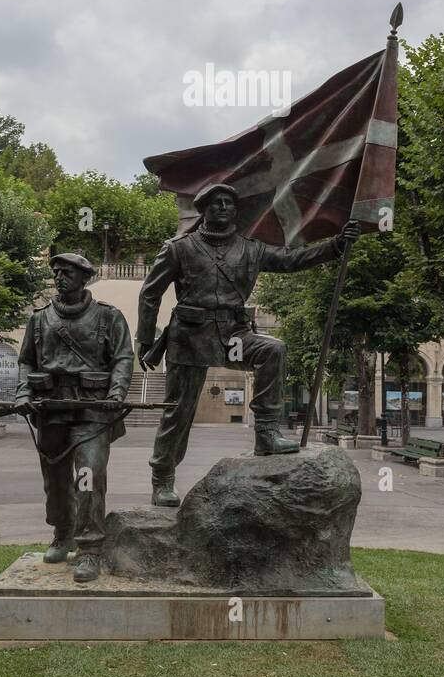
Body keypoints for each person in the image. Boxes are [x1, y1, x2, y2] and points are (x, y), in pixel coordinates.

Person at [136, 183, 360, 506]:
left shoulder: (251, 249)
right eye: (216, 202)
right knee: (178, 413)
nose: (223, 206)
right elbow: (150, 293)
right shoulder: (178, 248)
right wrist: (144, 339)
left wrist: (336, 246)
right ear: (203, 210)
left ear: (236, 210)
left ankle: (267, 434)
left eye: (229, 201)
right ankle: (163, 477)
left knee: (273, 350)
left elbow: (292, 259)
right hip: (190, 336)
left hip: (233, 335)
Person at [15, 251, 134, 583]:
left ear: (85, 278)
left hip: (92, 409)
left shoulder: (109, 317)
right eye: (56, 272)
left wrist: (116, 393)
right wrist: (24, 392)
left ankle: (90, 549)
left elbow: (123, 357)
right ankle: (62, 532)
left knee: (88, 475)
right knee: (54, 480)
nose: (59, 277)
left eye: (67, 272)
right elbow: (26, 360)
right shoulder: (39, 319)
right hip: (50, 407)